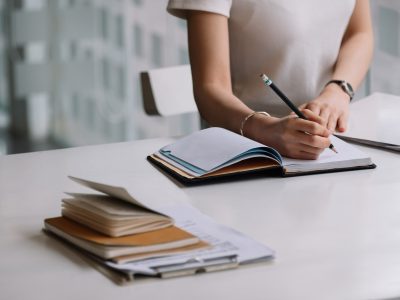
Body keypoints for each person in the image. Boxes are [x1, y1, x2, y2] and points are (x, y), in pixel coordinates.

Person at [167, 0, 373, 159]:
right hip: (246, 150)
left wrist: (338, 90)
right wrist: (264, 129)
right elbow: (210, 89)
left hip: (333, 143)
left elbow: (359, 33)